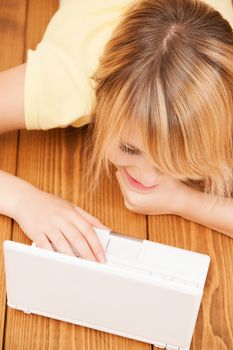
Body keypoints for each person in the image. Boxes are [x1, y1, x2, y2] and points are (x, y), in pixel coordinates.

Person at [0, 0, 232, 263]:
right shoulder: (68, 79)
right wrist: (25, 202)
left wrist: (182, 200)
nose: (148, 179)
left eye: (179, 157)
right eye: (129, 148)